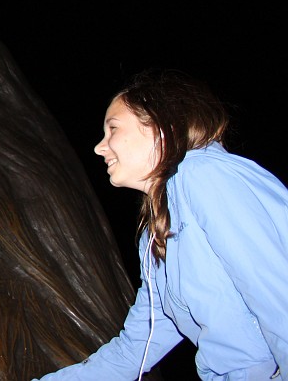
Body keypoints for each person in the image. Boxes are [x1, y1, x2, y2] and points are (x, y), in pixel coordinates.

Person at [33, 68, 287, 381]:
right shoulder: (158, 237)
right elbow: (134, 350)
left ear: (161, 127)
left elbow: (279, 296)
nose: (100, 147)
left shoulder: (206, 175)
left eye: (112, 129)